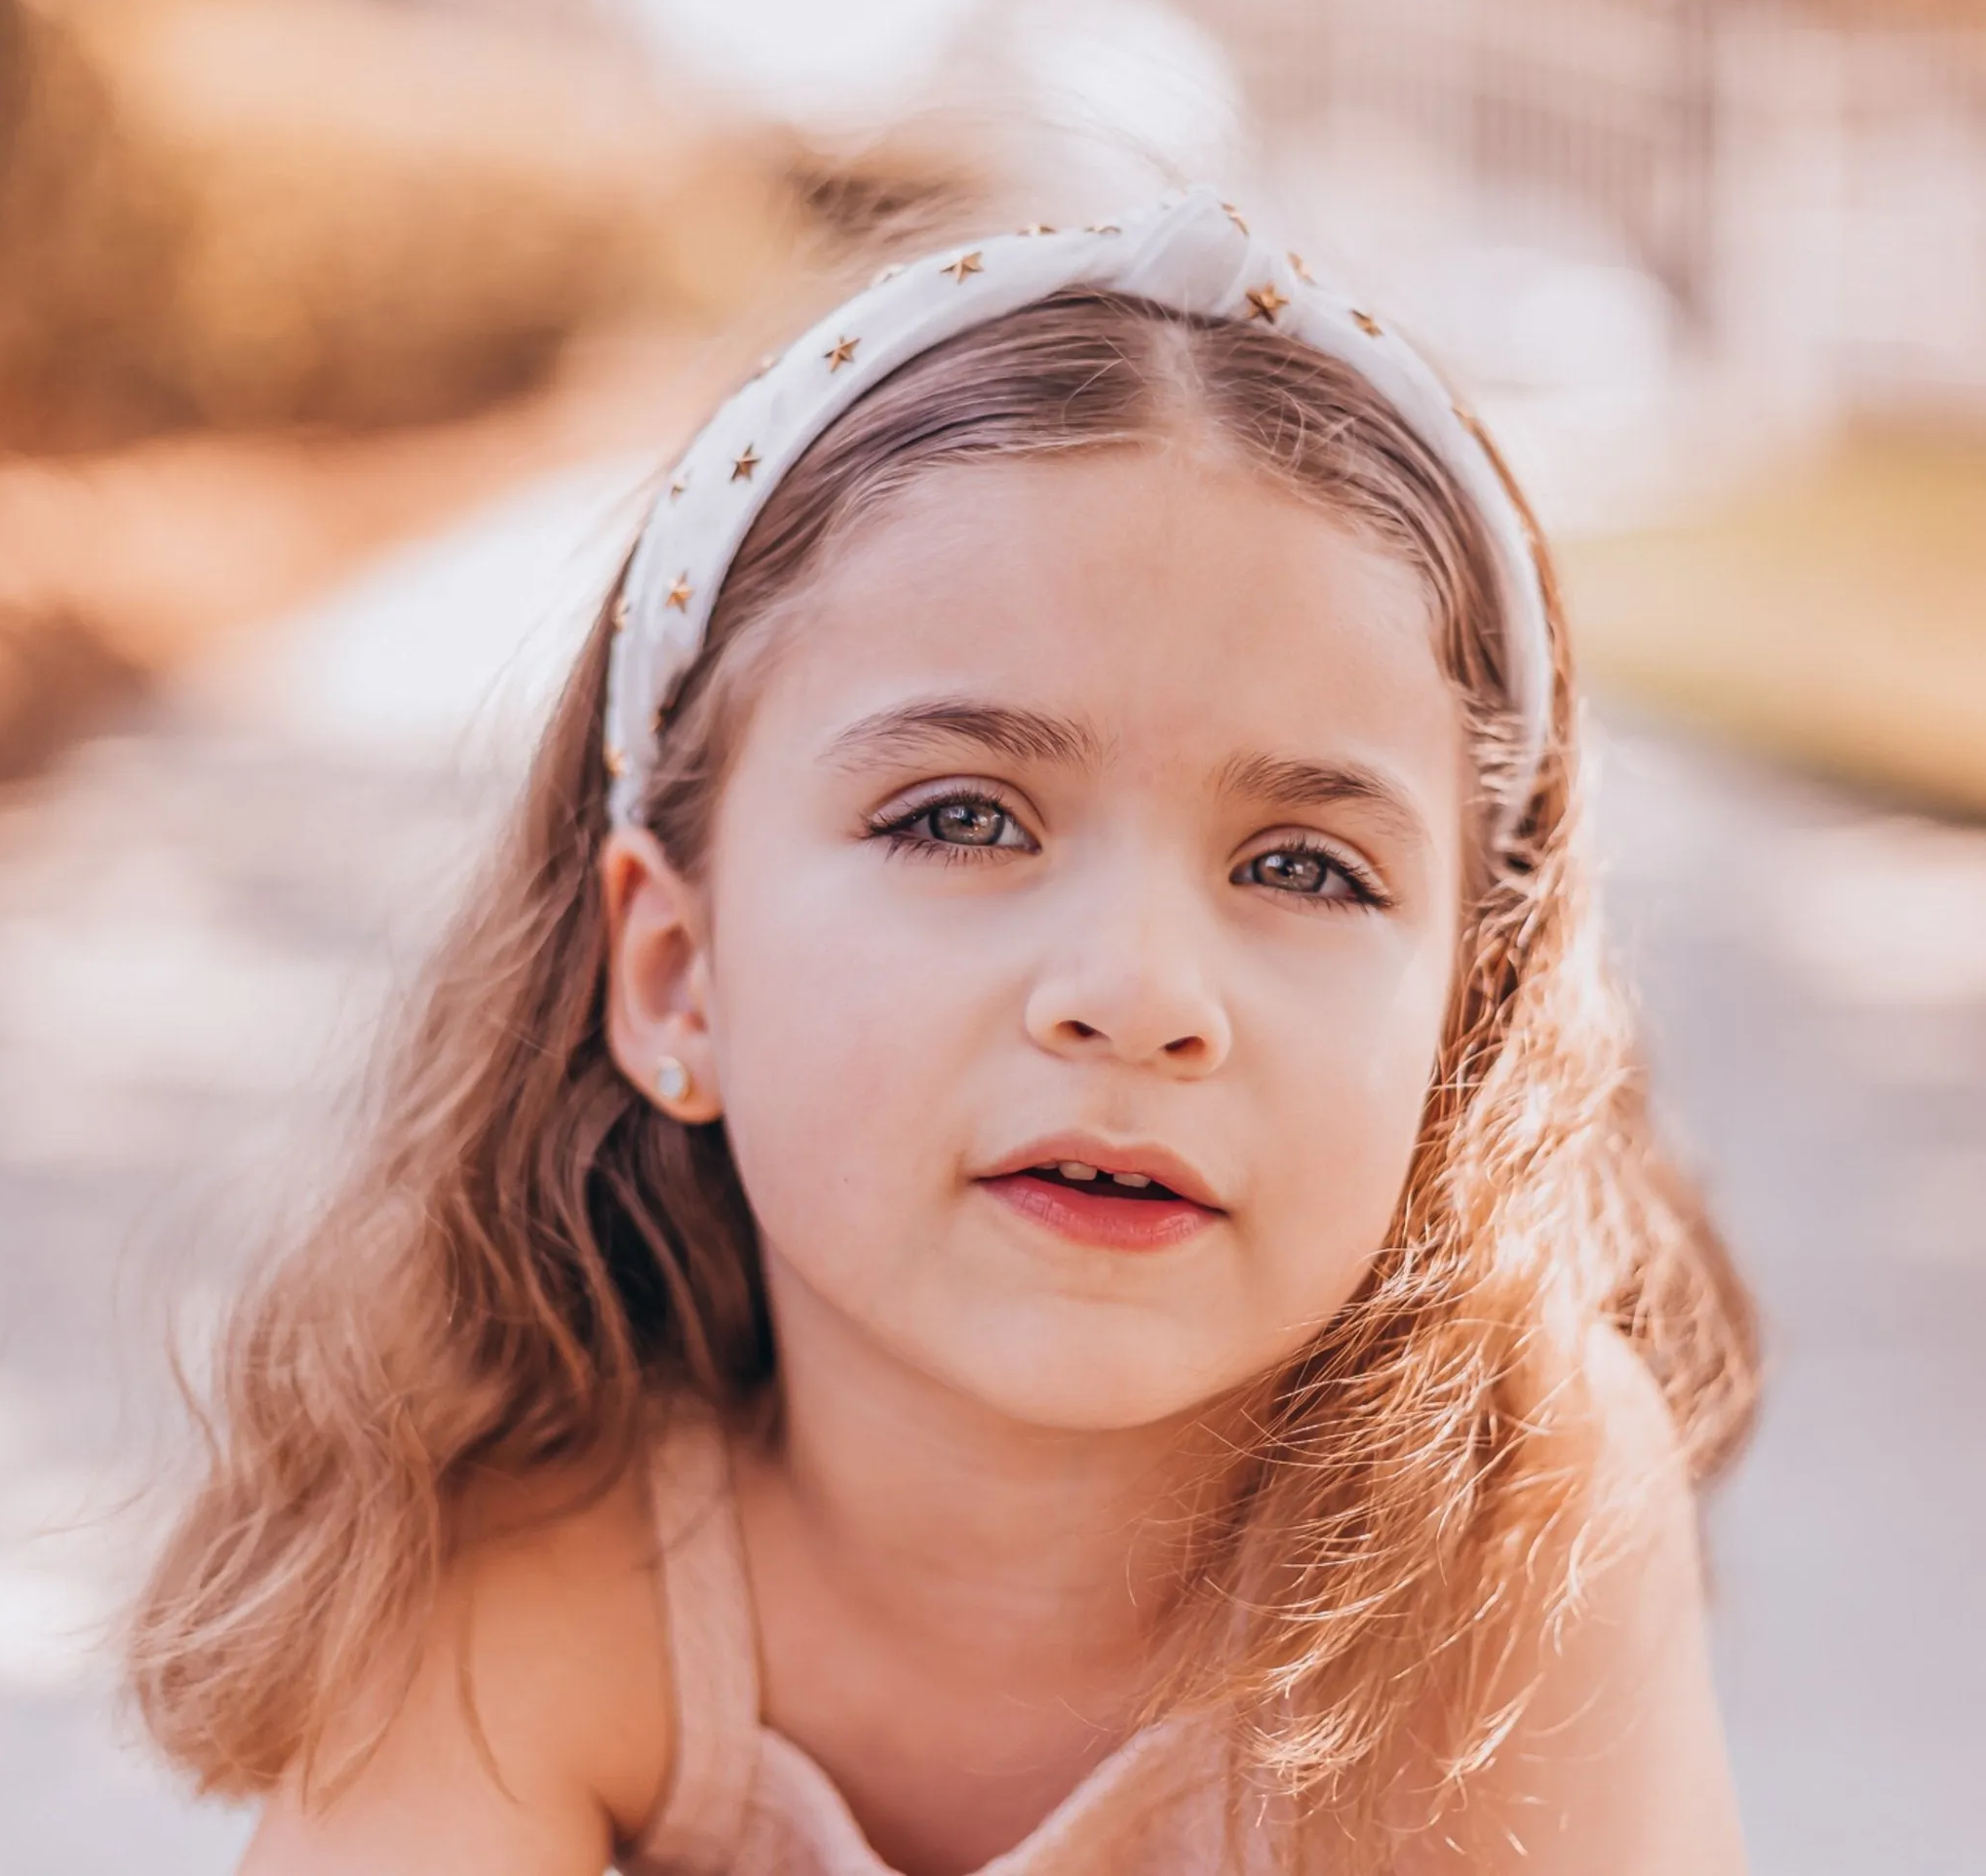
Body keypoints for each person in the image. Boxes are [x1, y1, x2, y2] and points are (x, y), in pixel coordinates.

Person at [129, 184, 1758, 1875]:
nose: (1135, 995)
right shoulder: (537, 1559)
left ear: (1463, 1029)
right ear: (680, 978)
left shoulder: (1506, 1527)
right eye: (962, 820)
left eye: (1303, 865)